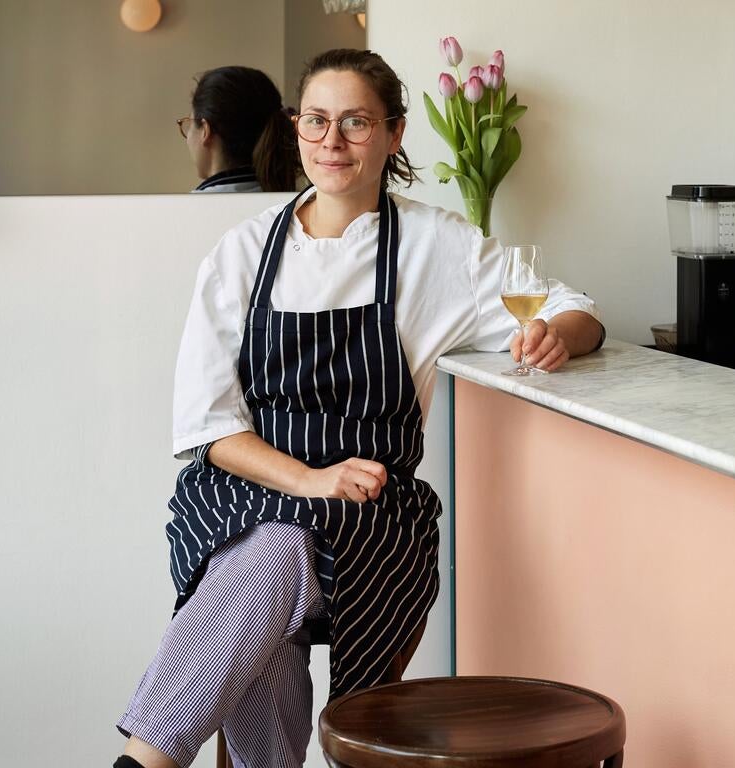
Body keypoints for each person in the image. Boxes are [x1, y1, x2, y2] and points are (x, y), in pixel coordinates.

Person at [115, 49, 604, 768]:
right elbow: (209, 426)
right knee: (274, 544)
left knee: (267, 570)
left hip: (373, 508)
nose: (331, 142)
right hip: (242, 491)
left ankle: (143, 759)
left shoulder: (440, 249)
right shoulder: (243, 253)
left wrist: (552, 336)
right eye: (315, 121)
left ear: (395, 133)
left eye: (355, 122)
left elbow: (574, 310)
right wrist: (310, 479)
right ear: (295, 128)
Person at [176, 65, 299, 193]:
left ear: (205, 131)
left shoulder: (179, 210)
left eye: (189, 124)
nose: (188, 139)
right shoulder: (297, 204)